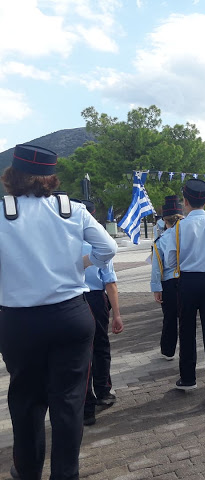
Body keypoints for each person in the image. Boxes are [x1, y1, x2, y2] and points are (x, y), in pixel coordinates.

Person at [0, 144, 117, 479]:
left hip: (19, 320)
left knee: (26, 402)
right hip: (70, 316)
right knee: (68, 402)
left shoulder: (2, 212)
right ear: (49, 177)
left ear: (13, 175)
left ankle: (28, 471)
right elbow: (107, 248)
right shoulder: (72, 210)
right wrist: (82, 264)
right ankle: (65, 474)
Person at [163, 179, 205, 401]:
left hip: (188, 282)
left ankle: (188, 378)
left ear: (185, 201)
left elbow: (171, 260)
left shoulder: (178, 228)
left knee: (187, 329)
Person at [78, 199, 124, 428]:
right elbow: (111, 283)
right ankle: (104, 391)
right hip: (95, 300)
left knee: (78, 354)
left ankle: (86, 407)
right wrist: (116, 314)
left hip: (68, 300)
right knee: (100, 347)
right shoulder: (97, 246)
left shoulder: (62, 243)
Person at [151, 196, 184, 361]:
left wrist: (157, 288)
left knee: (170, 317)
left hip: (169, 282)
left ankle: (168, 350)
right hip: (188, 278)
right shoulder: (188, 234)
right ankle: (186, 349)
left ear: (164, 220)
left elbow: (157, 268)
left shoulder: (161, 240)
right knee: (186, 317)